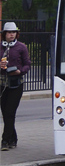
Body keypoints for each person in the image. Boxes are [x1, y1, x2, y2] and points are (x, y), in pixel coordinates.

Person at [1, 21, 31, 151]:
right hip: (2, 84)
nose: (11, 35)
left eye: (13, 32)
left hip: (16, 84)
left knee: (10, 112)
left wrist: (20, 71)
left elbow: (27, 64)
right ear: (4, 34)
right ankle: (13, 139)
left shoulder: (21, 47)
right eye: (9, 32)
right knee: (6, 113)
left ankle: (5, 141)